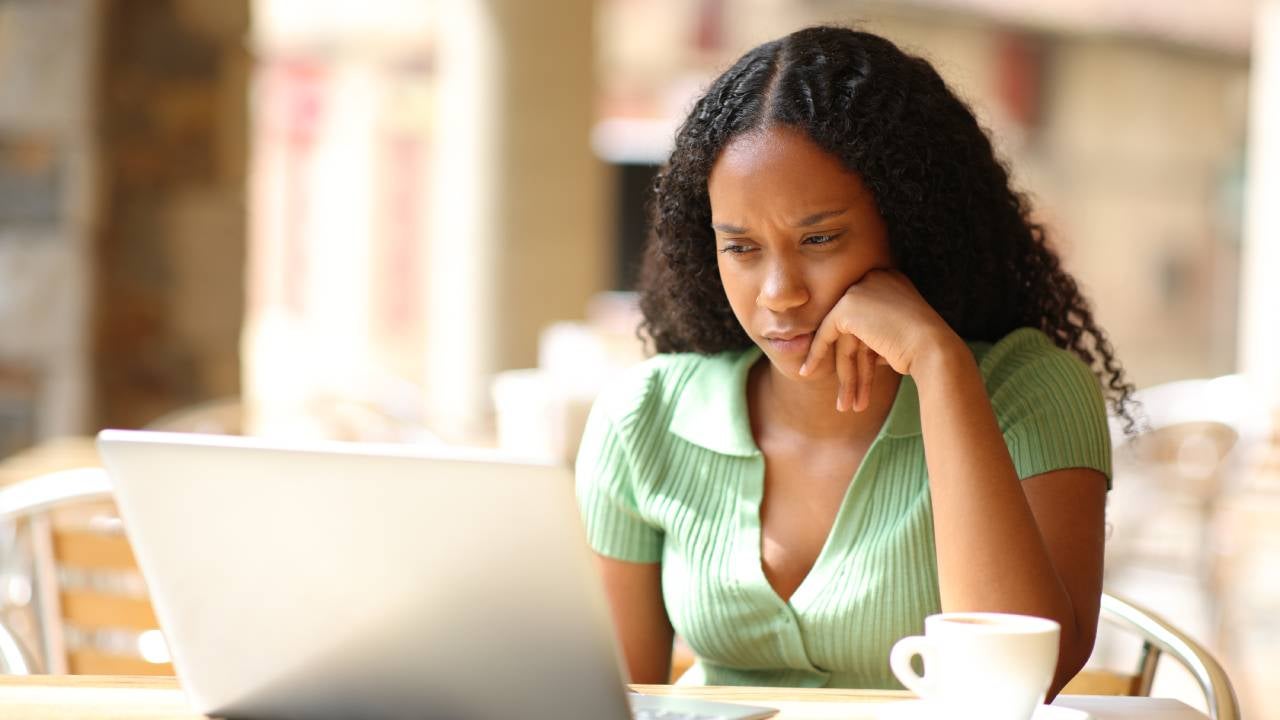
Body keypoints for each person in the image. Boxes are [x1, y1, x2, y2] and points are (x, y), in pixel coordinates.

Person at [575, 25, 1135, 696]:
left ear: (912, 223)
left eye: (819, 239)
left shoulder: (1032, 392)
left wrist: (940, 367)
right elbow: (608, 699)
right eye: (741, 248)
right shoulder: (643, 418)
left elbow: (1014, 685)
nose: (779, 293)